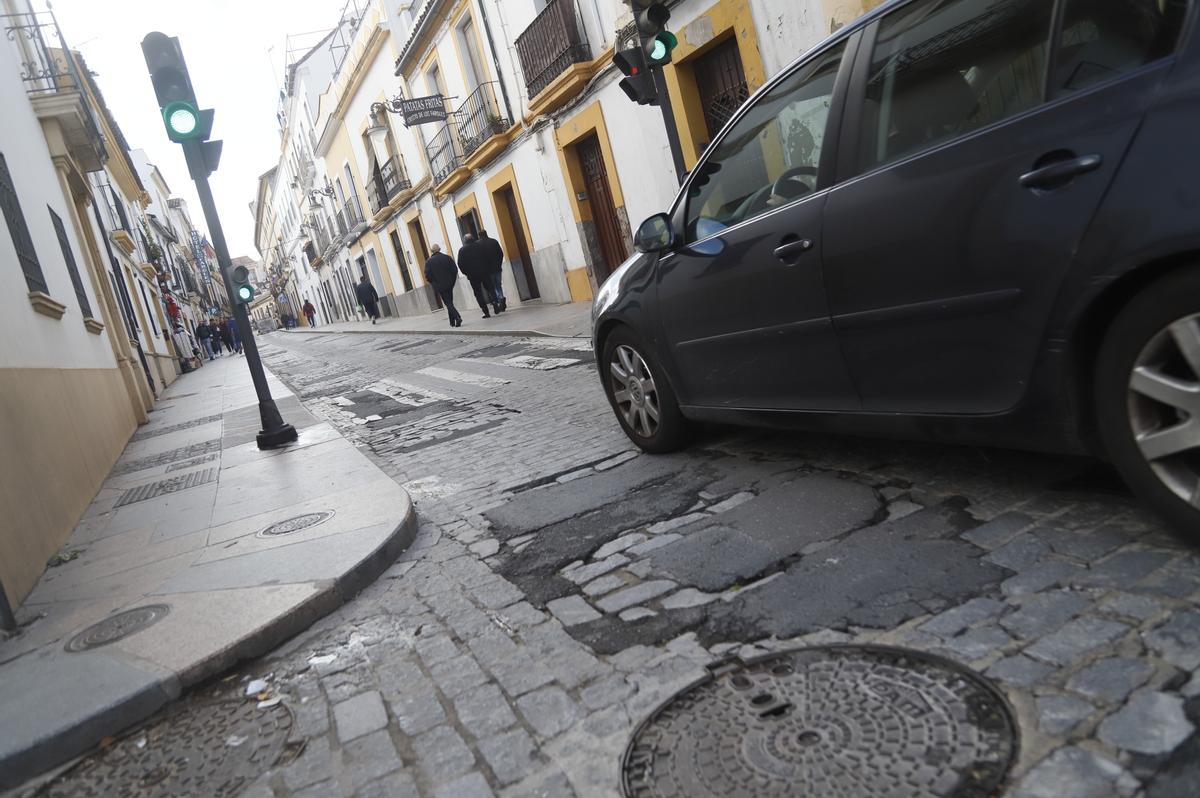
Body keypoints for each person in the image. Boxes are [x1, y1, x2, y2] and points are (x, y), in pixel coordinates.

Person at [457, 233, 500, 317]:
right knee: (490, 288)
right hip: (485, 272)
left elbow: (460, 264)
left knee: (478, 293)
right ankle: (495, 302)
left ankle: (486, 312)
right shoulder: (480, 246)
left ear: (465, 240)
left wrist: (466, 272)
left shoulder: (462, 250)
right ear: (473, 238)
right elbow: (488, 257)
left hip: (472, 275)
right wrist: (488, 267)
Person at [424, 243, 463, 328]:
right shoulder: (447, 258)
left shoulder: (429, 262)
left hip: (439, 286)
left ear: (432, 251)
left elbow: (427, 276)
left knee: (448, 303)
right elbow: (454, 270)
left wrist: (434, 283)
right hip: (449, 284)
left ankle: (457, 317)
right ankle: (452, 322)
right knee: (450, 302)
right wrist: (452, 281)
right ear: (440, 249)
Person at [479, 229, 507, 313]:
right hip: (497, 268)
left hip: (487, 270)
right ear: (486, 234)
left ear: (479, 236)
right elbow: (501, 254)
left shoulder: (479, 244)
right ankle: (501, 297)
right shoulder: (494, 241)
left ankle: (499, 299)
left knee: (492, 286)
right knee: (498, 285)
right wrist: (499, 263)